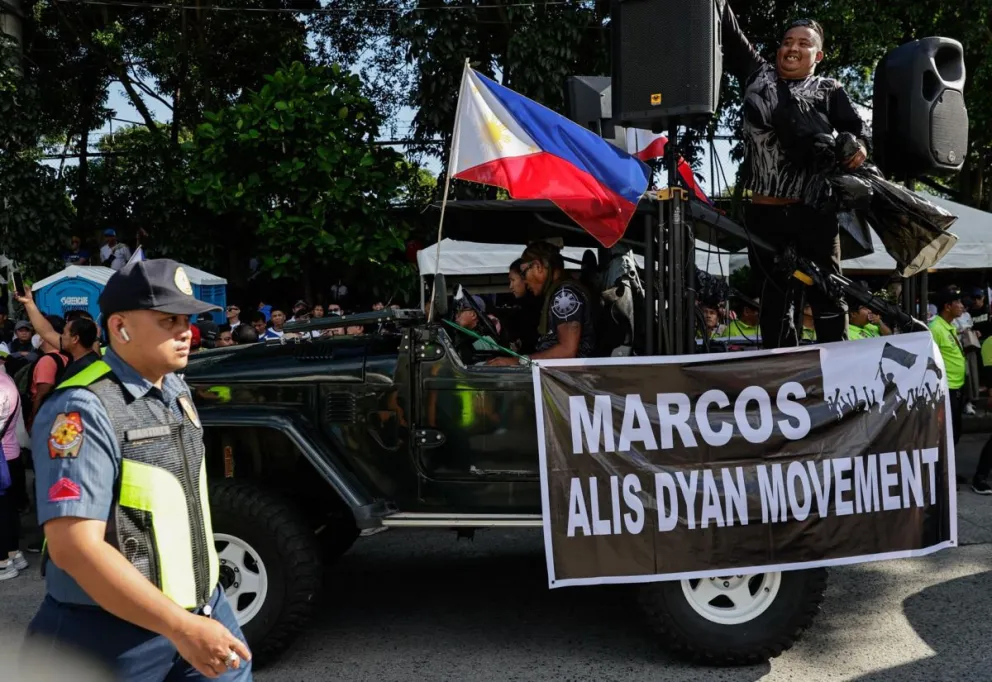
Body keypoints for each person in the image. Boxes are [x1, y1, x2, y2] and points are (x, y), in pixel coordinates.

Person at [24, 258, 252, 678]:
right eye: (168, 320)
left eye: (187, 319)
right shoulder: (81, 407)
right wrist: (181, 627)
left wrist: (195, 619)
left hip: (203, 613)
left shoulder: (173, 386)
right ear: (120, 327)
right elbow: (72, 547)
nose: (186, 331)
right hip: (107, 638)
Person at [723, 4, 868, 349]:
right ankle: (783, 382)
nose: (792, 48)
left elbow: (858, 134)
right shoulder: (757, 75)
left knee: (828, 295)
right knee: (775, 303)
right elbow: (728, 29)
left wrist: (858, 147)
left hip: (814, 213)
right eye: (787, 41)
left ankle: (838, 382)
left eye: (804, 43)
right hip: (765, 214)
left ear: (818, 54)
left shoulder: (829, 88)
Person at [488, 242, 595, 366]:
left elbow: (567, 351)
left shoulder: (564, 296)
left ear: (538, 266)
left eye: (524, 273)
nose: (525, 280)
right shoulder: (559, 293)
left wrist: (519, 361)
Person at [0, 368, 27, 580]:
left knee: (3, 511)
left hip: (4, 456)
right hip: (10, 453)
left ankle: (3, 562)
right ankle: (12, 553)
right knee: (7, 510)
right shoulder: (6, 379)